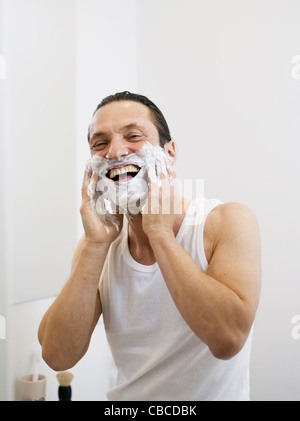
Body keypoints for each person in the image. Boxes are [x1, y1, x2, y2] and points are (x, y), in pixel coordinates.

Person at [38, 91, 261, 401]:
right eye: (100, 143)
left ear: (169, 153)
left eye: (133, 135)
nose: (115, 151)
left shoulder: (225, 221)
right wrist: (93, 245)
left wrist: (160, 233)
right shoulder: (96, 248)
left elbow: (228, 339)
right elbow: (57, 356)